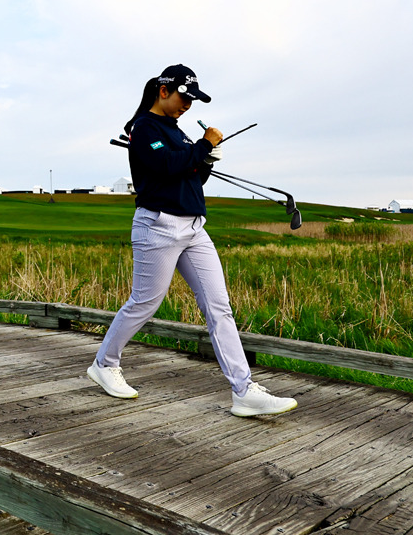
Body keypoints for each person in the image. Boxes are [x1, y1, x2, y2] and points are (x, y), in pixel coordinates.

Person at [87, 64, 297, 417]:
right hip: (158, 226)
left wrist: (207, 160)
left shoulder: (178, 133)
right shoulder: (144, 129)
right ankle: (104, 365)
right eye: (185, 97)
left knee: (219, 307)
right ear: (164, 91)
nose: (188, 104)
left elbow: (191, 180)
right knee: (144, 303)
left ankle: (243, 390)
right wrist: (203, 146)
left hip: (194, 228)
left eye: (193, 100)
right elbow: (167, 165)